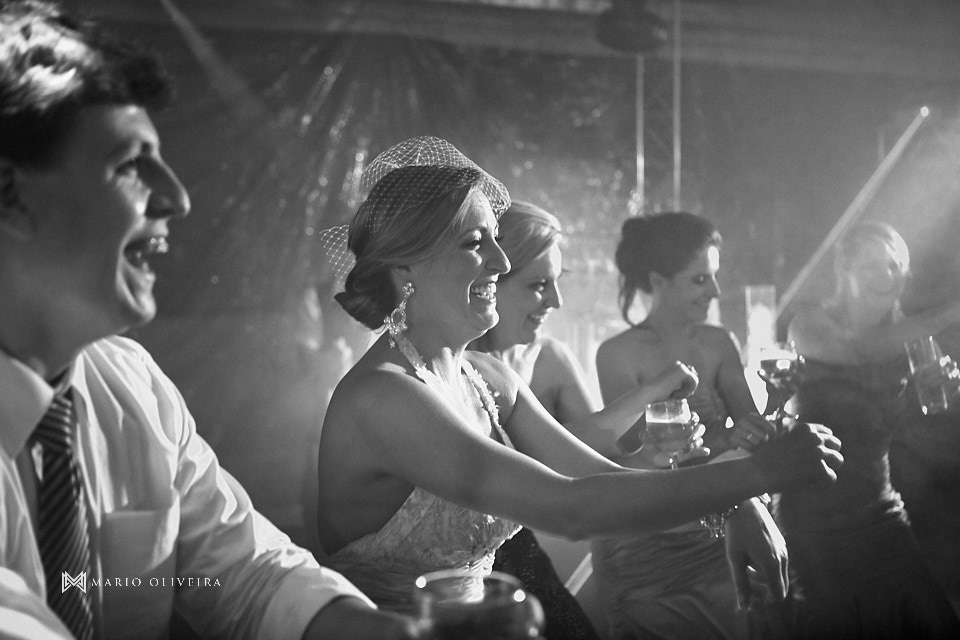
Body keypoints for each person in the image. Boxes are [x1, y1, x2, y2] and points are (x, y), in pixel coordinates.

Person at [0, 2, 415, 638]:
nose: (177, 197)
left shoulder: (129, 380)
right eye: (130, 164)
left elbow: (246, 573)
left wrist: (377, 631)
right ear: (13, 196)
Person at [314, 136, 844, 618]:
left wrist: (735, 506)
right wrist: (755, 476)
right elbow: (571, 509)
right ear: (406, 266)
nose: (501, 261)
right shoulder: (384, 396)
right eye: (477, 242)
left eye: (497, 239)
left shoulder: (487, 378)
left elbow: (601, 477)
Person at [469, 201, 698, 640]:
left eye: (558, 283)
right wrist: (648, 393)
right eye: (539, 285)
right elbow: (547, 462)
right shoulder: (461, 367)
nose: (556, 301)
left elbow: (589, 457)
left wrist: (646, 457)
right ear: (491, 282)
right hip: (477, 568)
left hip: (526, 551)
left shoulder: (551, 358)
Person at [592, 212, 788, 639]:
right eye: (700, 280)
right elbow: (632, 462)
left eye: (714, 277)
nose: (715, 291)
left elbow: (753, 427)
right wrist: (723, 442)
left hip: (719, 531)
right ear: (659, 282)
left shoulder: (718, 342)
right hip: (652, 543)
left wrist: (766, 419)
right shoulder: (617, 354)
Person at [780, 220, 960, 639]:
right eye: (872, 266)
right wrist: (948, 312)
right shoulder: (808, 323)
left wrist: (945, 387)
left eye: (895, 266)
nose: (887, 276)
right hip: (815, 523)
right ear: (843, 272)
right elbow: (855, 351)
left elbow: (927, 423)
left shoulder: (908, 342)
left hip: (881, 514)